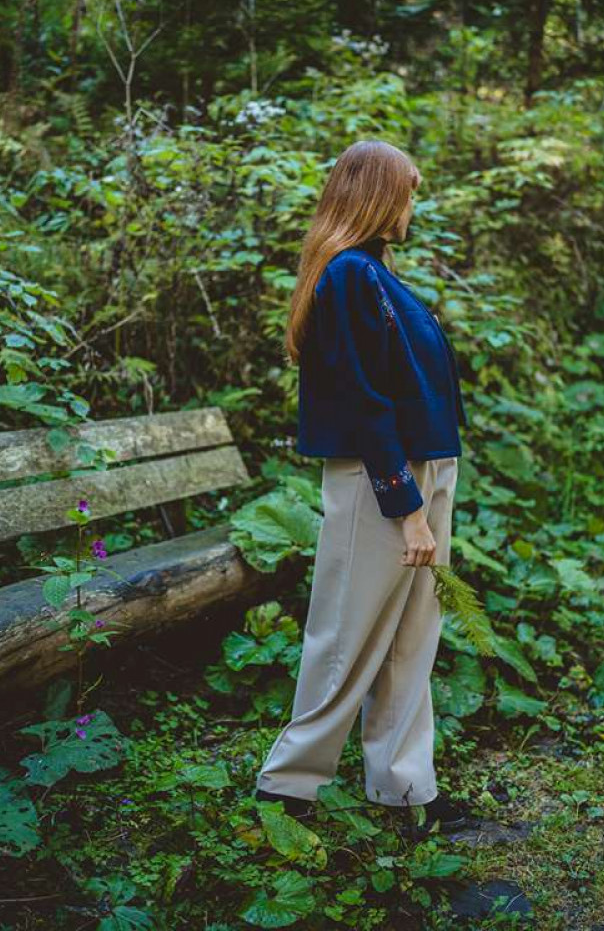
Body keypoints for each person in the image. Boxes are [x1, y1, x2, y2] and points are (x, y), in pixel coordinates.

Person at [254, 139, 471, 838]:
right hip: (382, 479)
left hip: (425, 468)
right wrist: (406, 505)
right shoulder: (348, 273)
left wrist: (427, 490)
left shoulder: (377, 272)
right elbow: (363, 399)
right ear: (377, 195)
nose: (412, 206)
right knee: (345, 635)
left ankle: (404, 791)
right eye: (406, 192)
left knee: (411, 637)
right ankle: (287, 787)